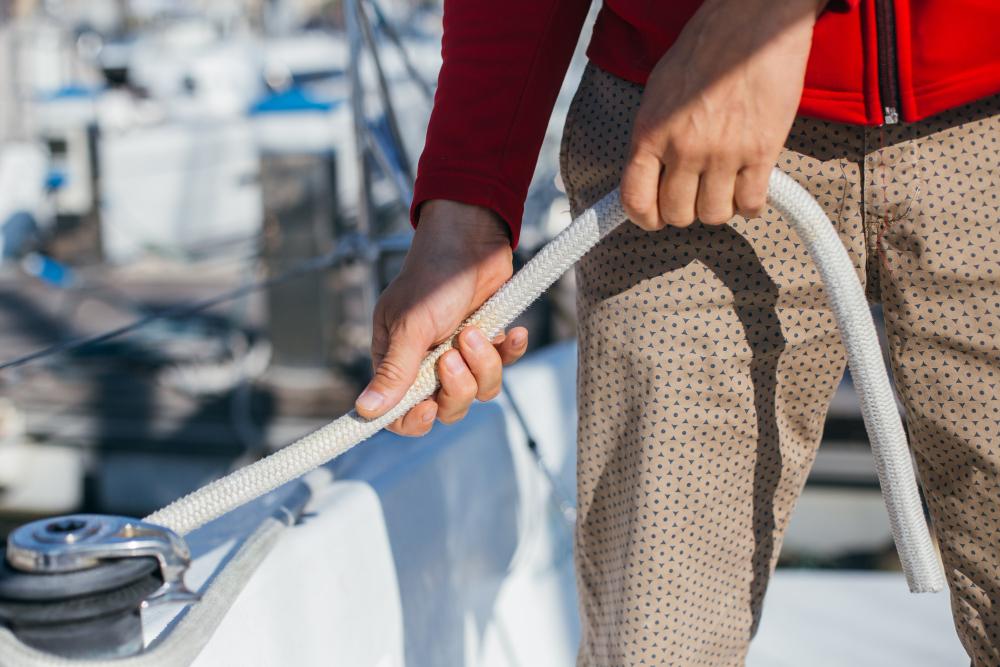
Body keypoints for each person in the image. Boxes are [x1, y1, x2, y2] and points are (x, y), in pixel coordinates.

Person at [355, 0, 1000, 664]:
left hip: (984, 110)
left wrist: (759, 16)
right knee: (651, 645)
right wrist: (466, 210)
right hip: (683, 124)